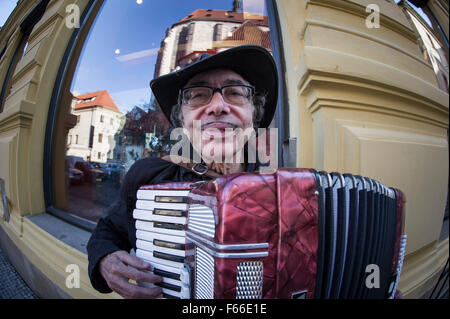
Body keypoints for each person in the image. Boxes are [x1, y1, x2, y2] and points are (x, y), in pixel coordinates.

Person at [86, 45, 279, 298]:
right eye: (198, 95)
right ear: (182, 121)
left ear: (253, 115)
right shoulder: (148, 176)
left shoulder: (281, 190)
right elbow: (109, 229)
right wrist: (105, 259)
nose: (218, 106)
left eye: (235, 93)